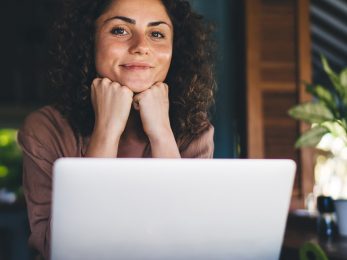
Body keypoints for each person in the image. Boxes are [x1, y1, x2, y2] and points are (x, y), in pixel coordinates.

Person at [18, 0, 216, 258]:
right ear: (89, 41)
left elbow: (189, 244)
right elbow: (59, 251)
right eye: (120, 30)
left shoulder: (195, 131)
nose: (141, 47)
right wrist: (107, 131)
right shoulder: (45, 129)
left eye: (156, 34)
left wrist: (161, 134)